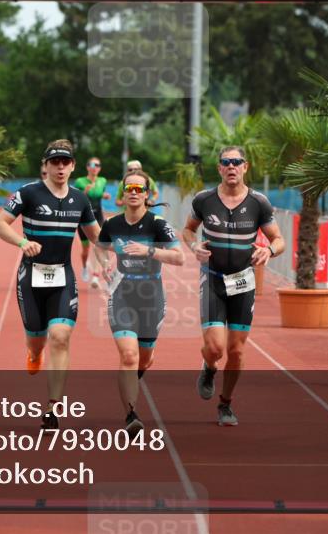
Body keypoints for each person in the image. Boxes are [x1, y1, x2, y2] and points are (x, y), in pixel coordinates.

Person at [0, 140, 101, 429]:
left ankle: (53, 408)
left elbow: (96, 236)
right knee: (37, 340)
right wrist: (22, 242)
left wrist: (114, 256)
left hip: (63, 277)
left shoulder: (80, 200)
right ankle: (34, 353)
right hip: (30, 278)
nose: (61, 167)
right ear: (46, 165)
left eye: (66, 162)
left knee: (61, 336)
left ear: (73, 166)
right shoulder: (28, 193)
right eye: (55, 162)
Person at [181, 146, 285, 426]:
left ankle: (225, 404)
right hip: (213, 278)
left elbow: (279, 240)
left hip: (243, 281)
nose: (231, 167)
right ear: (219, 168)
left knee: (237, 351)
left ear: (245, 167)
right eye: (226, 162)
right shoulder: (204, 199)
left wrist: (269, 251)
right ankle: (209, 366)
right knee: (215, 348)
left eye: (236, 162)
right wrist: (194, 247)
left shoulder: (259, 202)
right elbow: (188, 230)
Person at [95, 170, 183, 436]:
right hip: (122, 293)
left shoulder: (157, 224)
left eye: (139, 188)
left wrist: (149, 250)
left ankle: (137, 373)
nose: (133, 192)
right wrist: (105, 263)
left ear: (146, 194)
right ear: (123, 194)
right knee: (129, 355)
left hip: (151, 296)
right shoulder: (112, 224)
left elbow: (179, 257)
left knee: (143, 359)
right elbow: (100, 246)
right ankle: (131, 414)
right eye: (129, 188)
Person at [72, 156, 110, 288]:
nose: (94, 168)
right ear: (87, 167)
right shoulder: (80, 181)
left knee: (98, 245)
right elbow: (76, 198)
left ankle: (95, 275)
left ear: (100, 168)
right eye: (92, 165)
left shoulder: (103, 180)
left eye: (97, 165)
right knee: (85, 249)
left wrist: (104, 195)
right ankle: (84, 267)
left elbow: (102, 193)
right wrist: (85, 191)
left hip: (98, 216)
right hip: (83, 217)